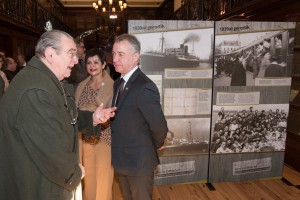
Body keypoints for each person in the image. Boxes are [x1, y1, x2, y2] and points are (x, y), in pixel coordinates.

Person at [0, 30, 116, 200]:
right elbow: (50, 150)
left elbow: (61, 116)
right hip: (36, 184)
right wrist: (74, 172)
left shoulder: (44, 80)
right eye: (71, 54)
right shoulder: (36, 90)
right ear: (51, 54)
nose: (76, 61)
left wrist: (91, 118)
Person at [110, 34, 168, 200]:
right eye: (113, 54)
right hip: (122, 160)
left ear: (136, 56)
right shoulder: (118, 83)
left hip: (139, 163)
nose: (115, 59)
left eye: (120, 54)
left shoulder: (144, 87)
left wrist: (151, 146)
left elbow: (159, 127)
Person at [75, 48, 114, 200]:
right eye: (89, 62)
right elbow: (77, 110)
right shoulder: (81, 85)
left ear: (104, 64)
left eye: (96, 62)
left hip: (104, 136)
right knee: (88, 176)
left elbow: (113, 111)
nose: (92, 65)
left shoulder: (113, 85)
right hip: (84, 137)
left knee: (103, 178)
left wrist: (91, 108)